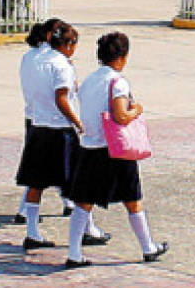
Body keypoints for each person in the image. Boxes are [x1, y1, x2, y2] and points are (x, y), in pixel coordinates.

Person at [63, 31, 167, 268]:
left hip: (89, 147)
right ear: (122, 57)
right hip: (114, 150)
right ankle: (148, 247)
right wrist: (137, 110)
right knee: (132, 199)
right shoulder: (117, 82)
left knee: (83, 202)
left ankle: (74, 252)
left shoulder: (89, 81)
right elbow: (120, 116)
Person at [14, 20, 87, 250]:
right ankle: (85, 231)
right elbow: (62, 98)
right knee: (77, 181)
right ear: (67, 44)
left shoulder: (32, 58)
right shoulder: (61, 64)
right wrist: (78, 123)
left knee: (36, 183)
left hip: (37, 124)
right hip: (60, 128)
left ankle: (32, 231)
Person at [13, 18, 73, 223]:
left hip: (33, 115)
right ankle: (26, 211)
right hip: (54, 120)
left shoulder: (30, 56)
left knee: (41, 170)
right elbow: (61, 96)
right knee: (57, 169)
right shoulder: (55, 60)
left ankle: (67, 203)